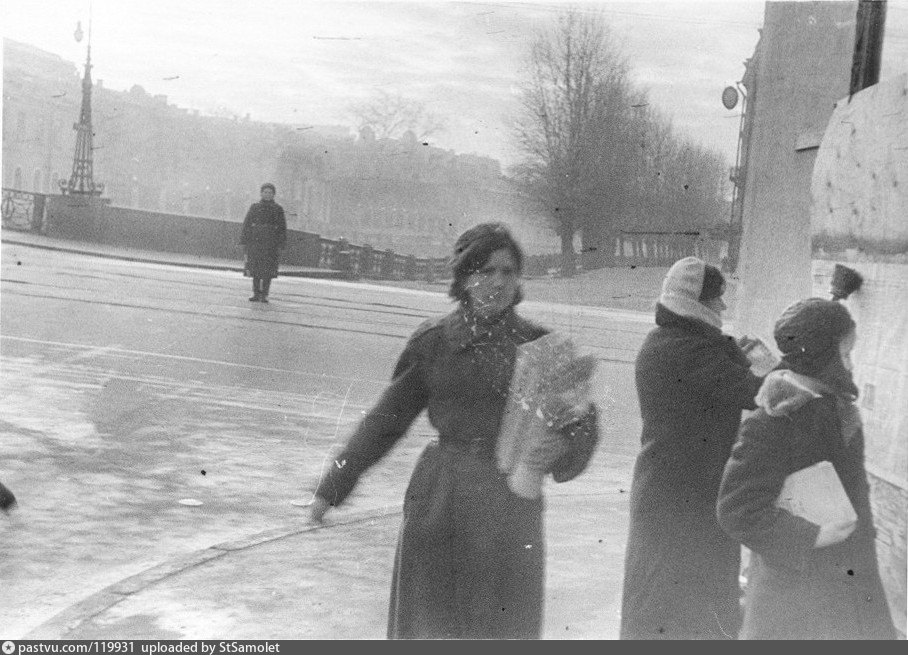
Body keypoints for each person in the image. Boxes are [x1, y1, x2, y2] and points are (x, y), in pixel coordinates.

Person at [309, 223, 600, 639]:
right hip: (442, 500)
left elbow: (581, 424)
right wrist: (332, 487)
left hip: (509, 506)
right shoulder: (434, 343)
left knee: (501, 627)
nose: (498, 281)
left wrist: (566, 443)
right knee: (433, 626)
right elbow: (385, 421)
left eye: (507, 271)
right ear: (463, 277)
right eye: (484, 271)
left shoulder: (543, 347)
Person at [717, 298, 896, 640]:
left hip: (850, 582)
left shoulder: (831, 407)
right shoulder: (773, 421)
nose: (849, 364)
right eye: (844, 354)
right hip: (796, 598)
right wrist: (811, 535)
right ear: (821, 358)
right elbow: (737, 509)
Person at [620, 256, 763, 640]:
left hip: (668, 492)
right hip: (686, 499)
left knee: (662, 599)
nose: (723, 307)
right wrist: (771, 368)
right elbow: (753, 392)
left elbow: (720, 368)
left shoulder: (669, 341)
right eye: (717, 299)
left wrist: (736, 353)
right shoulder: (690, 350)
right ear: (695, 301)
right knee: (686, 604)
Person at [239, 183, 286, 303]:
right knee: (255, 269)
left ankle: (264, 294)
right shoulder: (254, 207)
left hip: (271, 243)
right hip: (256, 242)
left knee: (267, 270)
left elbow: (282, 227)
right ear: (261, 193)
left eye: (270, 193)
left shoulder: (278, 209)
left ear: (273, 195)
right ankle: (256, 293)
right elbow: (247, 224)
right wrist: (244, 240)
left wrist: (281, 243)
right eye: (265, 192)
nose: (267, 195)